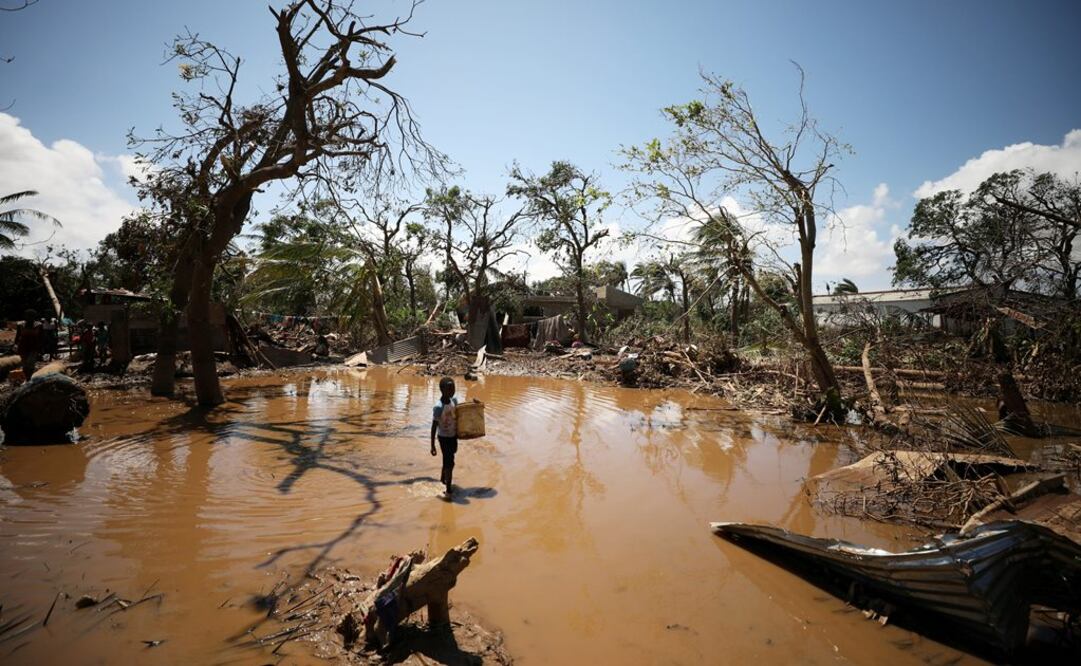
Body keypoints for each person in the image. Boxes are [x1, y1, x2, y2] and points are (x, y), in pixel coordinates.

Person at [430, 376, 459, 498]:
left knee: (449, 458)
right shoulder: (438, 407)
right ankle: (448, 490)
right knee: (450, 462)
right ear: (442, 390)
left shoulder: (454, 401)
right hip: (443, 437)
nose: (452, 391)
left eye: (453, 388)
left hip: (453, 436)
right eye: (449, 389)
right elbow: (434, 427)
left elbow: (460, 416)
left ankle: (442, 478)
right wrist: (432, 445)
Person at [14, 309, 43, 378]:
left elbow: (41, 336)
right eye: (28, 316)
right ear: (25, 316)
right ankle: (27, 378)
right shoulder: (20, 325)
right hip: (23, 346)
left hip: (34, 346)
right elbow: (18, 335)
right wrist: (15, 345)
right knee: (24, 364)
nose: (30, 318)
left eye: (31, 316)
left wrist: (41, 347)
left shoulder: (39, 325)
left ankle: (30, 377)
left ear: (34, 316)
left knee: (31, 363)